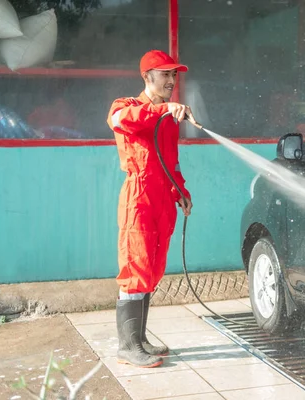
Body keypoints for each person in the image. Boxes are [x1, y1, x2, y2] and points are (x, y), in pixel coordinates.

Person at [106, 50, 195, 368]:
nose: (172, 81)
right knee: (136, 269)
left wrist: (181, 190)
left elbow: (170, 161)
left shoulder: (169, 119)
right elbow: (120, 121)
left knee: (153, 270)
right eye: (165, 74)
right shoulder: (125, 106)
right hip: (139, 200)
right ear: (147, 77)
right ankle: (127, 345)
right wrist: (162, 110)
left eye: (174, 75)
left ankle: (139, 339)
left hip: (163, 202)